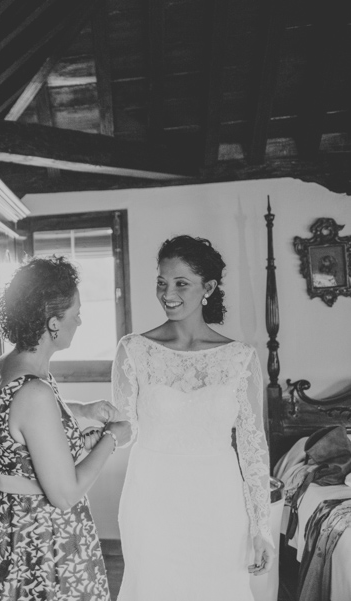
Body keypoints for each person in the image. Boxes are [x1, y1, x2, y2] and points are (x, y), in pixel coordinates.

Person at [112, 235, 273, 601]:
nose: (168, 293)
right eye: (162, 283)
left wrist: (261, 526)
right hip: (150, 500)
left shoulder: (239, 357)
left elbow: (252, 446)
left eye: (181, 283)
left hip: (219, 502)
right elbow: (122, 431)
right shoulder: (134, 350)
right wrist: (76, 421)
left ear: (209, 287)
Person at [0, 256, 132, 601]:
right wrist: (111, 439)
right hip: (42, 539)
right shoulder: (35, 390)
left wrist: (82, 411)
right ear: (52, 323)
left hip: (11, 524)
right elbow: (64, 495)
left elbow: (26, 425)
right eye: (74, 312)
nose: (80, 319)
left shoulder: (9, 365)